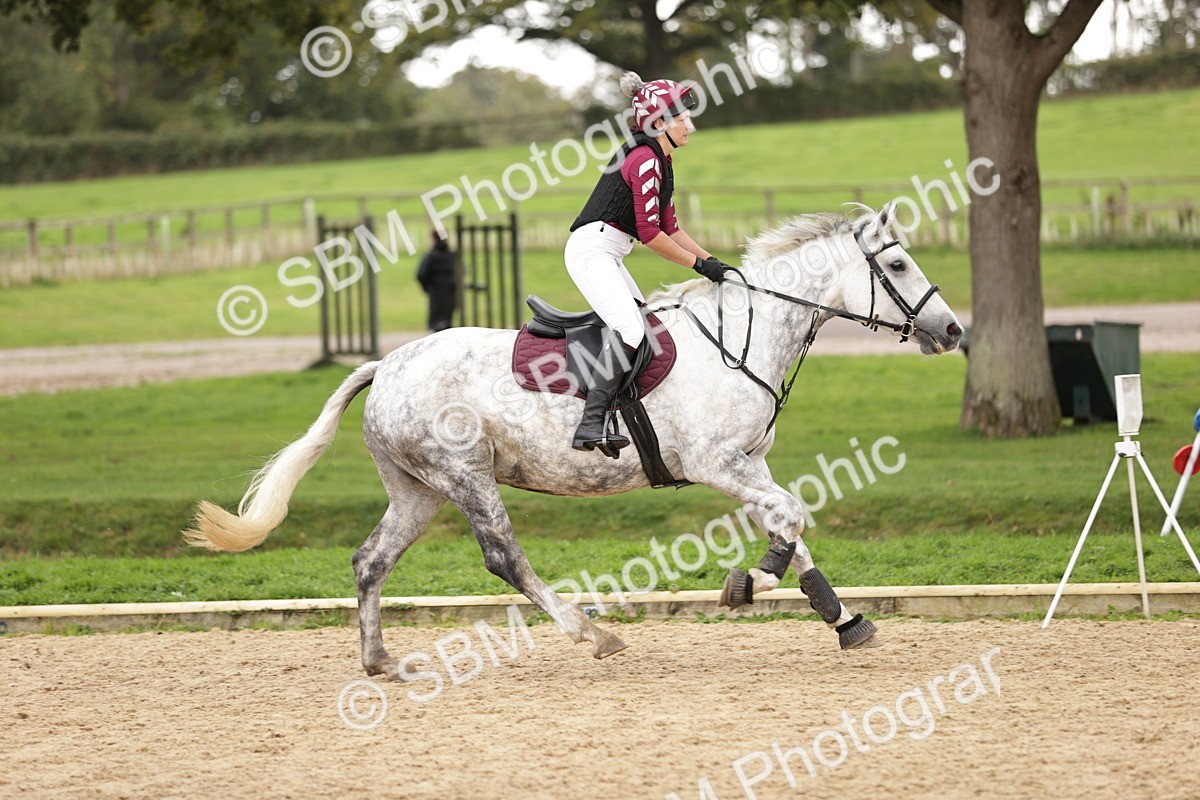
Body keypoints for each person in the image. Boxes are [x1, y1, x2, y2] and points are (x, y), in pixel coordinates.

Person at [566, 70, 731, 456]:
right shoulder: (644, 159)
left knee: (645, 325)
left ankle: (616, 414)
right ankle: (590, 423)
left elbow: (671, 227)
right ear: (658, 123)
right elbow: (650, 234)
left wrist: (715, 263)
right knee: (630, 329)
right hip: (593, 251)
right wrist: (697, 267)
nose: (690, 124)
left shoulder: (661, 162)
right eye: (682, 117)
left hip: (608, 250)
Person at [416, 231, 458, 332]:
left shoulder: (430, 256)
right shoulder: (452, 256)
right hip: (450, 290)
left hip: (435, 291)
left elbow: (421, 274)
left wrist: (426, 287)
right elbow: (461, 271)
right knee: (447, 321)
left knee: (436, 322)